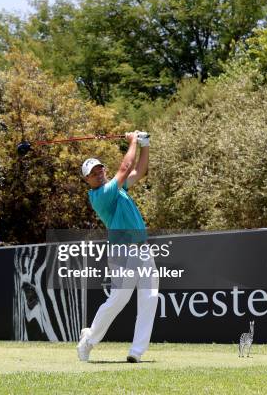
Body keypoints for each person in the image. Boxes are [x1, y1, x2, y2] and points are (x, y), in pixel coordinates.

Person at [76, 131, 158, 363]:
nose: (98, 173)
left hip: (142, 249)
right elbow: (124, 168)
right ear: (87, 181)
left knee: (150, 297)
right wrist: (132, 141)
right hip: (122, 252)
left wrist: (145, 145)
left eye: (100, 169)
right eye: (93, 173)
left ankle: (136, 352)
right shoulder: (100, 195)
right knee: (118, 299)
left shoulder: (119, 190)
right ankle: (89, 340)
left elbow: (139, 171)